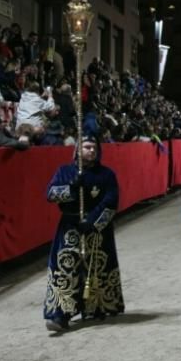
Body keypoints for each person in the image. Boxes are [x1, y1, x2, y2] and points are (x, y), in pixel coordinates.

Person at [44, 135, 125, 332]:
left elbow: (111, 201)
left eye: (94, 147)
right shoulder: (65, 172)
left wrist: (92, 222)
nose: (91, 151)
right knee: (65, 267)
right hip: (70, 226)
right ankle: (60, 313)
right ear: (78, 150)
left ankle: (95, 306)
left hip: (96, 228)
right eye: (87, 147)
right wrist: (72, 185)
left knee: (96, 266)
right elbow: (50, 194)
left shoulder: (107, 175)